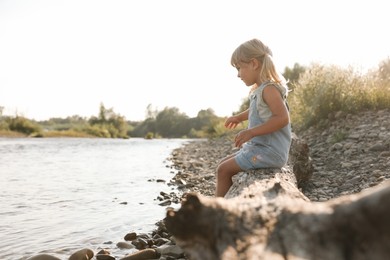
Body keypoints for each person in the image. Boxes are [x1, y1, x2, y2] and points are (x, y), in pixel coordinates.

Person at [215, 38, 291, 197]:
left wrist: (251, 132)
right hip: (261, 149)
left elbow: (282, 118)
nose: (238, 75)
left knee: (223, 170)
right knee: (222, 164)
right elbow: (255, 109)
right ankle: (228, 201)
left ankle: (217, 212)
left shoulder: (269, 89)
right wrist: (238, 117)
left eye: (239, 68)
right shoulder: (261, 90)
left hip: (269, 152)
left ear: (254, 64)